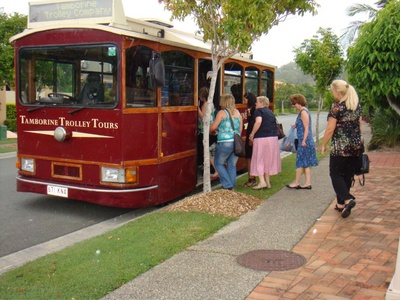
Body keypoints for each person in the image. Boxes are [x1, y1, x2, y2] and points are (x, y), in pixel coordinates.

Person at [321, 79, 364, 218]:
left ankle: (347, 199)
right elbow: (359, 125)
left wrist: (323, 144)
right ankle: (341, 204)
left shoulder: (337, 107)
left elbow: (330, 129)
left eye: (333, 92)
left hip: (340, 147)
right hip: (355, 146)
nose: (333, 95)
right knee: (347, 175)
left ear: (339, 92)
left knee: (335, 174)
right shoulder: (356, 106)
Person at [210, 94, 243, 190]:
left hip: (225, 142)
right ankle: (232, 187)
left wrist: (208, 126)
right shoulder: (238, 113)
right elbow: (240, 130)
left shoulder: (221, 113)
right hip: (236, 143)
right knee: (231, 165)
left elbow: (213, 127)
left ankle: (228, 185)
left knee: (218, 163)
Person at [286, 94, 318, 189]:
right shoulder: (302, 112)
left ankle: (297, 182)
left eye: (294, 103)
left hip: (304, 140)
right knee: (305, 162)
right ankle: (307, 182)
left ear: (298, 103)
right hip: (304, 140)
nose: (293, 106)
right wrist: (296, 126)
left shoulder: (303, 112)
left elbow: (306, 127)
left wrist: (304, 140)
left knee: (300, 161)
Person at [249, 96, 281, 190]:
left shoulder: (258, 111)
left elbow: (258, 122)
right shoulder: (270, 112)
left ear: (262, 103)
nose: (255, 104)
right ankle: (268, 182)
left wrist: (252, 133)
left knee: (259, 159)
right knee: (267, 159)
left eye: (257, 102)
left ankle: (262, 182)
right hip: (273, 138)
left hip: (261, 138)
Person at [197, 87, 218, 178]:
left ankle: (213, 169)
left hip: (206, 131)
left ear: (202, 96)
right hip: (210, 130)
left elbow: (204, 118)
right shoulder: (211, 103)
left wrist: (197, 109)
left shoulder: (205, 104)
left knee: (205, 151)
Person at [243, 92, 257, 187]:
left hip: (251, 136)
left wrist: (251, 137)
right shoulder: (252, 110)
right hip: (251, 135)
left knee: (249, 156)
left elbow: (252, 124)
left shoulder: (253, 111)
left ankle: (251, 178)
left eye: (245, 100)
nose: (243, 102)